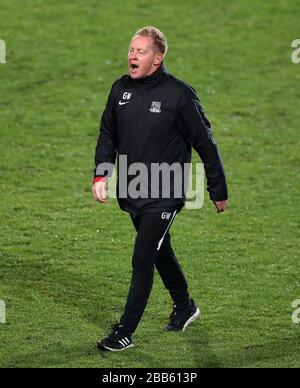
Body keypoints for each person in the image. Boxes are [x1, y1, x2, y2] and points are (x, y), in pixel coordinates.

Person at [92, 26, 228, 352]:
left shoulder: (178, 95)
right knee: (158, 249)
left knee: (142, 255)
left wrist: (217, 189)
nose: (132, 55)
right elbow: (107, 134)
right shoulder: (120, 90)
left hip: (167, 191)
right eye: (131, 49)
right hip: (134, 188)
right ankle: (185, 306)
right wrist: (101, 176)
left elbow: (204, 143)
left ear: (158, 58)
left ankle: (124, 331)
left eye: (140, 51)